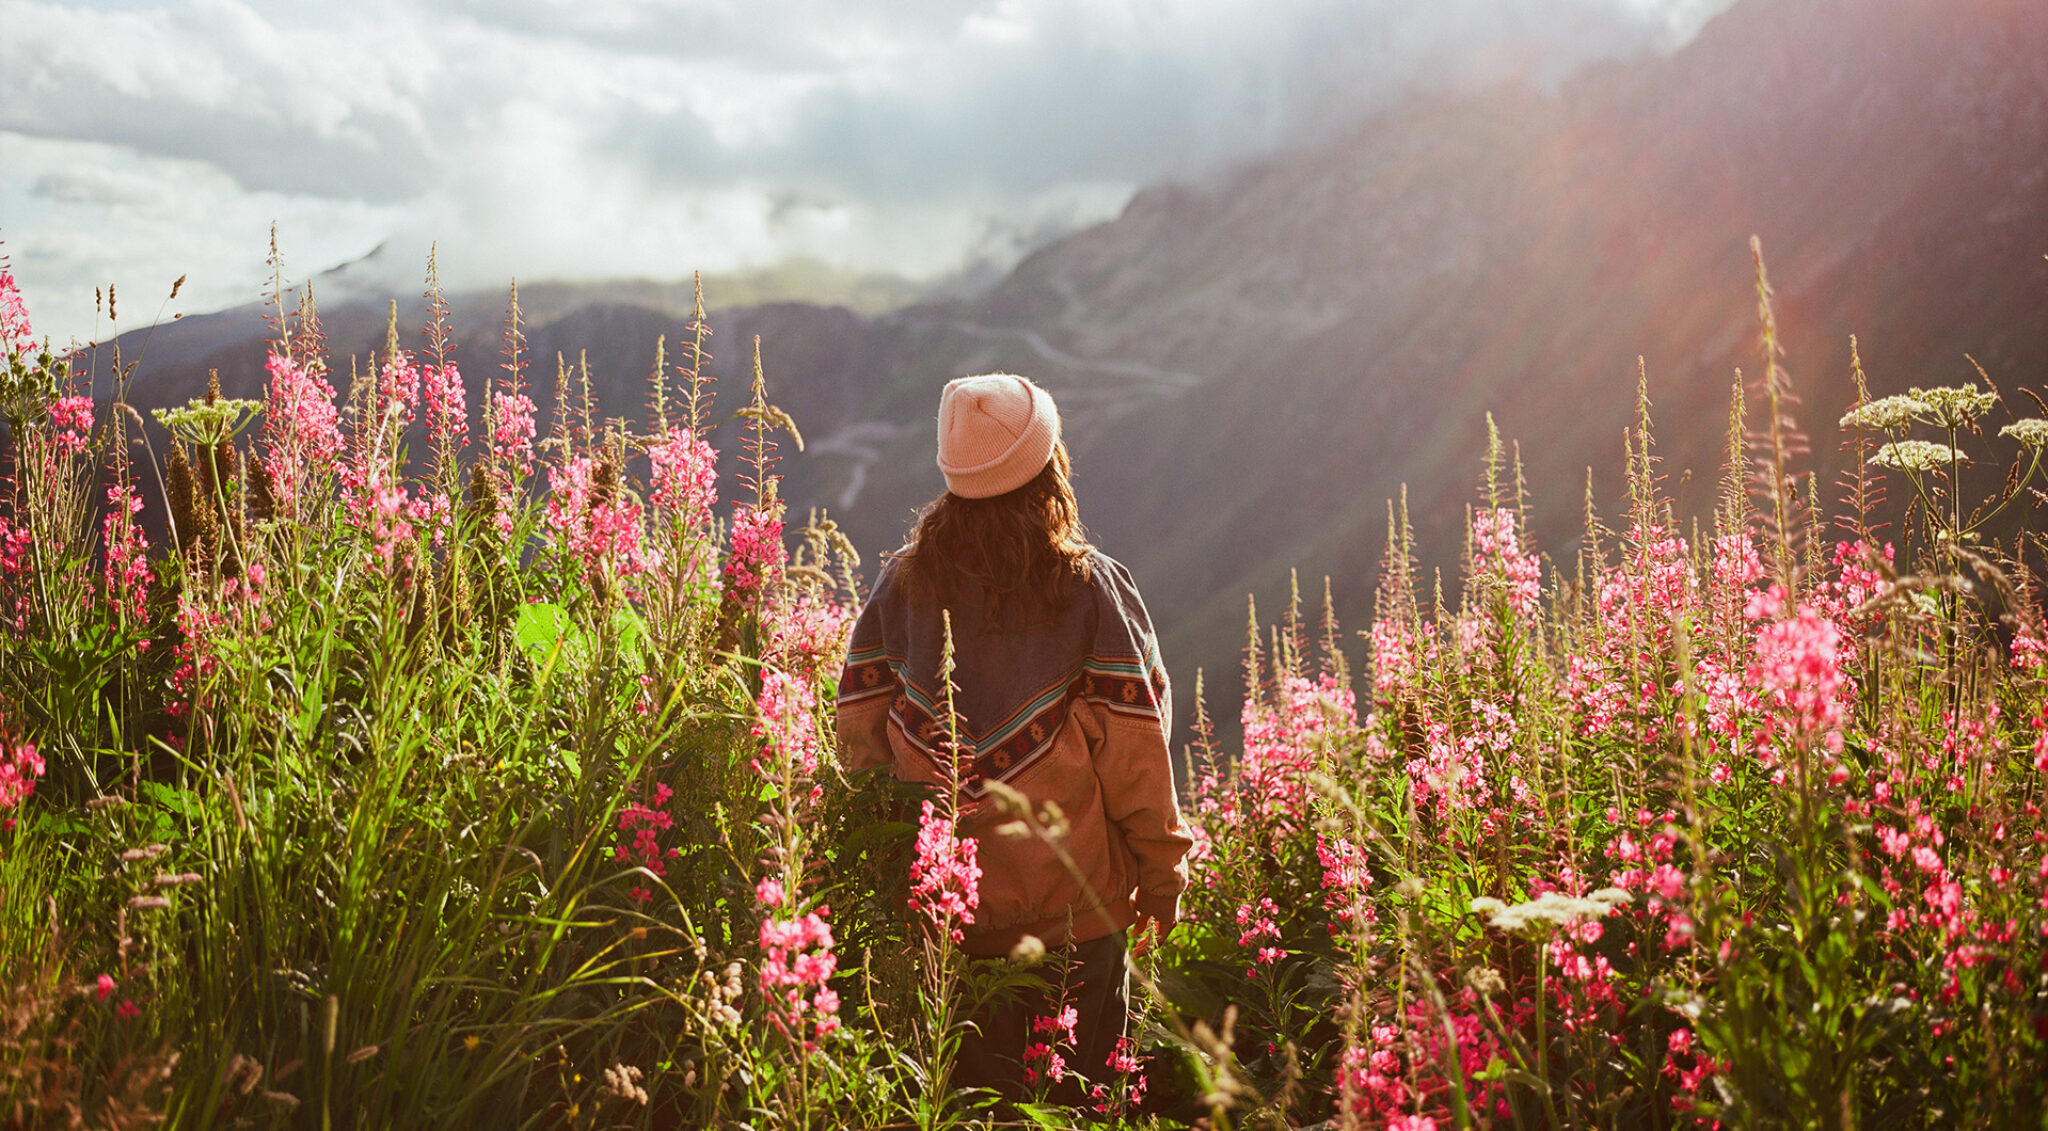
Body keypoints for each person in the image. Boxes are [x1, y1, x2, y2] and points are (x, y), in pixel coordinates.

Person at [836, 372, 1192, 1101]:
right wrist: (1162, 876)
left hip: (949, 930)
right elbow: (1139, 753)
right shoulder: (1091, 590)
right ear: (1048, 468)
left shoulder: (900, 591)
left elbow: (859, 747)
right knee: (1081, 1104)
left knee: (970, 1109)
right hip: (1080, 928)